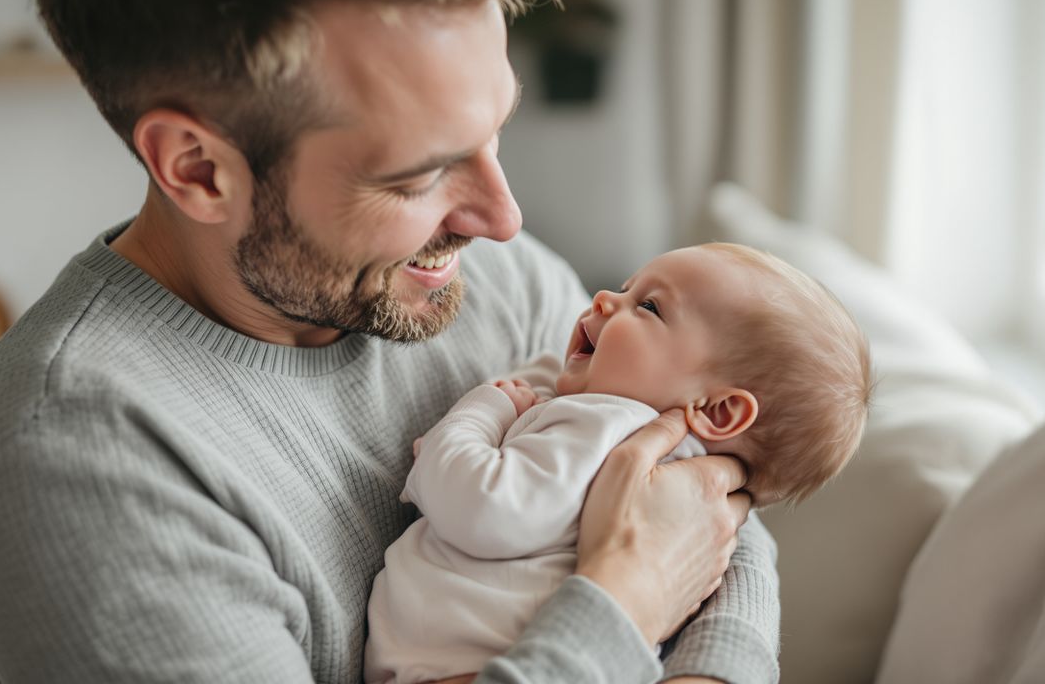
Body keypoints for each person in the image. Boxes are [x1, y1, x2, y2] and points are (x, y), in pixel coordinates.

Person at [0, 0, 781, 682]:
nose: (503, 218)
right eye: (419, 176)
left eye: (495, 132)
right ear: (198, 169)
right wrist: (624, 603)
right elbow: (659, 547)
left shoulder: (494, 281)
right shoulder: (75, 459)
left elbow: (706, 500)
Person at [364, 243, 872, 684]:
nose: (605, 298)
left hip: (471, 662)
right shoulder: (644, 442)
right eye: (629, 286)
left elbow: (480, 504)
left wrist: (483, 410)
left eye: (648, 306)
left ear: (718, 411)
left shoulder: (602, 424)